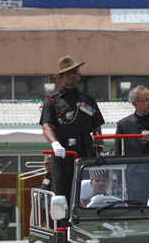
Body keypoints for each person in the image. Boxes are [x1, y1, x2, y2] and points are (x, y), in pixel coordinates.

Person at [39, 56, 105, 204]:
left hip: (85, 150)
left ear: (79, 75)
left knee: (87, 190)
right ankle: (64, 225)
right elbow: (46, 126)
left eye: (74, 72)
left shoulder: (89, 100)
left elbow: (97, 127)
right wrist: (55, 144)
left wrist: (99, 148)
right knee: (62, 192)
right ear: (61, 77)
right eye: (67, 73)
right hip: (62, 151)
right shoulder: (52, 100)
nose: (71, 75)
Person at [115, 86, 149, 156]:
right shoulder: (123, 124)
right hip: (132, 165)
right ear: (135, 103)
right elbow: (118, 150)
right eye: (146, 100)